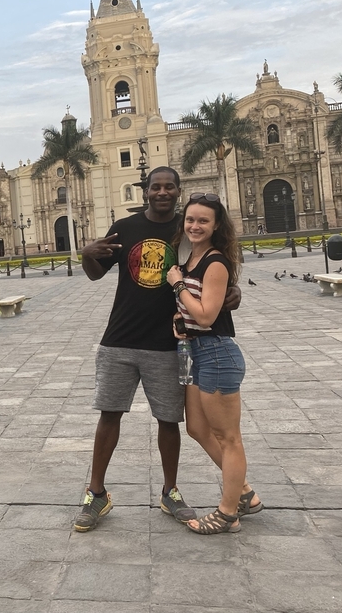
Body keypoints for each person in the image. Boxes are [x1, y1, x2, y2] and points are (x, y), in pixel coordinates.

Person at [75, 167, 240, 533]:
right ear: (145, 191)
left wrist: (235, 291)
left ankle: (170, 491)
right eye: (155, 187)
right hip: (119, 338)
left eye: (169, 187)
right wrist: (86, 253)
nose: (161, 192)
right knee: (109, 415)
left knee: (169, 421)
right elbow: (95, 272)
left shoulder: (188, 229)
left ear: (179, 191)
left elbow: (214, 267)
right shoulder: (126, 228)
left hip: (167, 343)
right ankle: (96, 492)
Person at [167, 192, 259, 534]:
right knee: (197, 429)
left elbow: (206, 315)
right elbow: (194, 314)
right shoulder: (192, 259)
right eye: (190, 219)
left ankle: (227, 512)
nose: (195, 225)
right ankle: (245, 493)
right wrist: (179, 321)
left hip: (217, 352)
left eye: (203, 220)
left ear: (216, 224)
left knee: (228, 437)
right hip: (196, 351)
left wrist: (178, 287)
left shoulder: (215, 262)